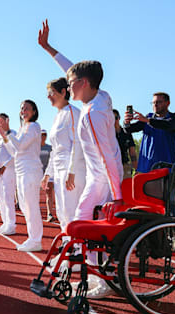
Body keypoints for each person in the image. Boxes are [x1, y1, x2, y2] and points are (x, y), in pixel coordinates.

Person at [39, 19, 123, 298]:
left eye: (72, 84)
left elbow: (108, 156)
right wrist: (49, 49)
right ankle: (97, 276)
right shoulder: (100, 96)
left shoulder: (92, 114)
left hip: (102, 179)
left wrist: (117, 194)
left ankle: (103, 281)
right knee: (81, 225)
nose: (69, 86)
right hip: (102, 176)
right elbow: (72, 70)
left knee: (85, 225)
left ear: (84, 84)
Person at [0, 100, 44, 251]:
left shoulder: (34, 126)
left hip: (31, 171)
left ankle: (35, 240)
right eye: (21, 108)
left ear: (34, 112)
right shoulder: (23, 128)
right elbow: (14, 152)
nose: (23, 111)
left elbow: (19, 145)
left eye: (27, 109)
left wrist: (8, 131)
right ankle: (32, 238)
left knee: (31, 206)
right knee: (24, 206)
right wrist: (4, 135)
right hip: (22, 171)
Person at [41, 78, 86, 231]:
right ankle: (67, 243)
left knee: (72, 210)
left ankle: (78, 248)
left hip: (71, 169)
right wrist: (48, 174)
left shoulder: (73, 113)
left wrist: (71, 171)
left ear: (63, 92)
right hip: (59, 169)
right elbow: (54, 149)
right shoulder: (57, 116)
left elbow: (77, 143)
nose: (48, 97)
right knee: (61, 210)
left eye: (51, 93)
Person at [124, 92, 175, 214]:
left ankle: (172, 228)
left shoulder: (174, 118)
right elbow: (129, 130)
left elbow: (169, 126)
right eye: (153, 102)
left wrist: (147, 120)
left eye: (159, 102)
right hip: (148, 169)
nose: (155, 105)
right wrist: (127, 122)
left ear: (167, 103)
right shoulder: (148, 118)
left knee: (170, 202)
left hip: (168, 168)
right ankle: (155, 231)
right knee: (149, 202)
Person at [0, 113, 17, 235]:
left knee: (8, 197)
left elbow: (15, 153)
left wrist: (5, 166)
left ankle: (11, 225)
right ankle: (5, 223)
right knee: (0, 198)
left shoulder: (13, 134)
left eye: (0, 120)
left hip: (8, 170)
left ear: (7, 120)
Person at [113, 109, 137, 179]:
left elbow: (132, 152)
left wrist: (136, 169)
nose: (114, 121)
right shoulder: (107, 134)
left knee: (126, 188)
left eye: (116, 118)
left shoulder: (126, 132)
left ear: (119, 118)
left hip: (125, 165)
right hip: (112, 167)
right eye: (111, 118)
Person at [39, 129, 57, 222]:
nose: (43, 136)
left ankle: (49, 213)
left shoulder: (49, 148)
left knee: (49, 194)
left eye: (45, 135)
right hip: (37, 174)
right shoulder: (34, 148)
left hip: (48, 173)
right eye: (41, 134)